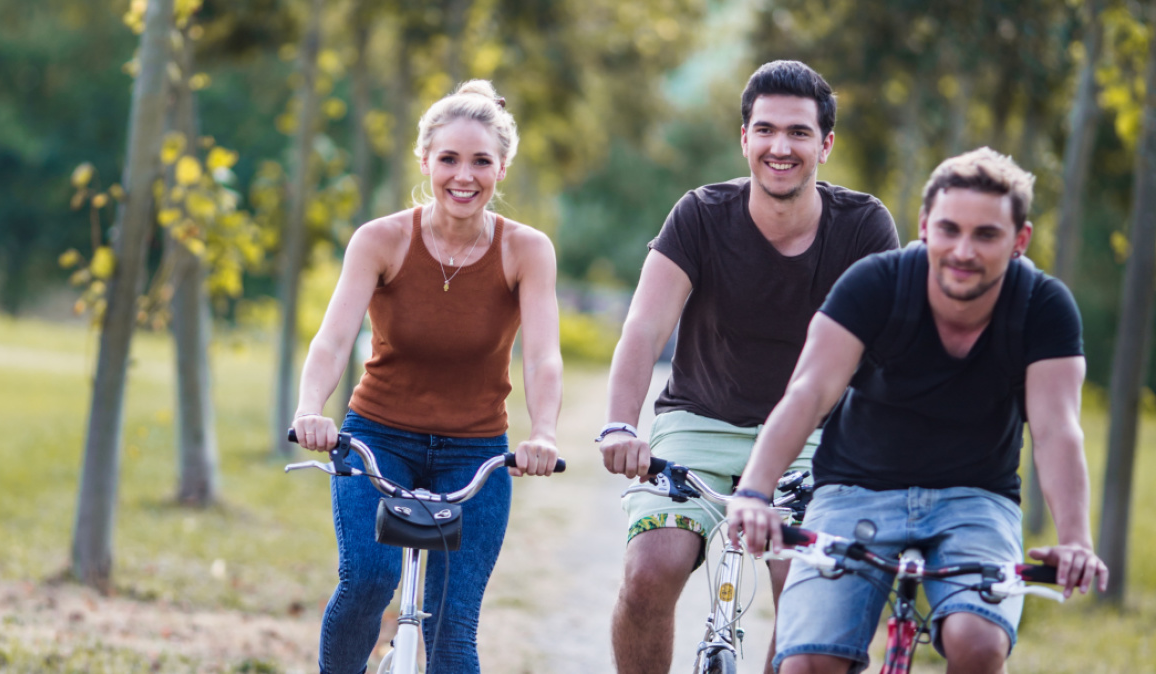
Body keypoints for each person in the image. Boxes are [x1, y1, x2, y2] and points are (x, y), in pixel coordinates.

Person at [728, 147, 1109, 674]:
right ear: (926, 226)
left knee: (978, 643)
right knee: (807, 662)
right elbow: (808, 394)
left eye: (986, 235)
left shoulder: (1043, 307)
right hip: (854, 491)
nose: (963, 250)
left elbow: (1057, 431)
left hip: (976, 499)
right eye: (949, 229)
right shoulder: (875, 284)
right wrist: (753, 492)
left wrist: (1075, 541)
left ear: (1019, 241)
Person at [600, 60, 899, 674]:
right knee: (649, 574)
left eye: (798, 133)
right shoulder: (701, 215)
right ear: (744, 139)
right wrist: (620, 426)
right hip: (698, 426)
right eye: (764, 130)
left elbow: (886, 352)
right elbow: (644, 327)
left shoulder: (865, 226)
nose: (779, 147)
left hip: (815, 439)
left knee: (813, 597)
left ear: (826, 144)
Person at [291, 79, 563, 674]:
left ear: (501, 168)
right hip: (378, 438)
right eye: (449, 159)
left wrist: (543, 432)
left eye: (481, 162)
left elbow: (542, 356)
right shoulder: (381, 240)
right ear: (425, 162)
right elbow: (334, 338)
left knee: (451, 626)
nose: (463, 176)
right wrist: (311, 407)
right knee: (368, 577)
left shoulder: (526, 251)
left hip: (476, 452)